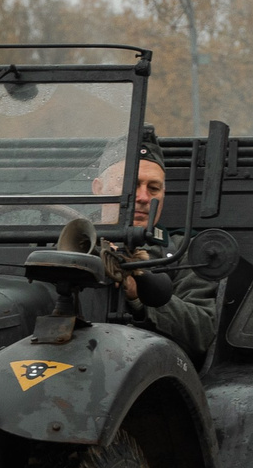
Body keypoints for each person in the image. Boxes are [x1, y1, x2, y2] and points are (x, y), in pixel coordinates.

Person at [93, 137, 219, 359]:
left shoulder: (184, 251)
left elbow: (203, 331)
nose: (143, 197)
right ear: (98, 188)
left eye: (153, 188)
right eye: (130, 185)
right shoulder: (67, 246)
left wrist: (137, 293)